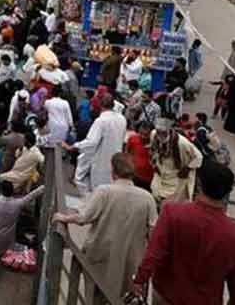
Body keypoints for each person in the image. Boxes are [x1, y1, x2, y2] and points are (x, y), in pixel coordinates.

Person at [132, 159, 235, 305]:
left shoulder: (172, 213)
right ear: (228, 192)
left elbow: (154, 252)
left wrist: (140, 279)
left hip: (166, 295)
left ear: (199, 185)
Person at [53, 153, 157, 296]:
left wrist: (64, 218)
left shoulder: (104, 191)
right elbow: (153, 233)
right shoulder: (147, 197)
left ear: (113, 171)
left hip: (101, 255)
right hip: (131, 262)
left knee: (96, 294)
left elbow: (83, 217)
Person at [0, 180, 44, 280]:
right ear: (12, 191)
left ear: (1, 190)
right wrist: (42, 188)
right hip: (8, 235)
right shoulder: (17, 204)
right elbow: (30, 196)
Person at [65, 93, 126, 194]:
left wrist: (73, 146)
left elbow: (91, 142)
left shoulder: (101, 121)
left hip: (100, 163)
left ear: (100, 105)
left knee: (96, 191)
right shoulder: (122, 119)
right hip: (114, 163)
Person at [149, 118, 203, 203]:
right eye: (159, 132)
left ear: (169, 131)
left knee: (173, 200)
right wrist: (154, 164)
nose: (160, 135)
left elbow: (198, 157)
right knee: (155, 193)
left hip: (176, 174)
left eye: (163, 132)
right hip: (161, 171)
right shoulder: (153, 134)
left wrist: (187, 169)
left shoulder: (182, 142)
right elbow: (152, 150)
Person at [124, 121, 155, 191]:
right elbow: (127, 153)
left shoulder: (156, 143)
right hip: (135, 176)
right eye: (141, 134)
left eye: (146, 135)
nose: (142, 137)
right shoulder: (133, 139)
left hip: (150, 179)